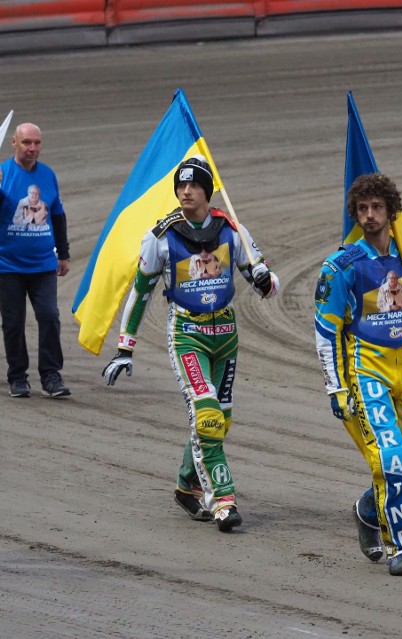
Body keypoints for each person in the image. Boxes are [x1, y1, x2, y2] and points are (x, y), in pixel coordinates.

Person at [101, 155, 279, 533]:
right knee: (208, 416)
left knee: (219, 421)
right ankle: (224, 502)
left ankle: (187, 485)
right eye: (181, 187)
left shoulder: (233, 230)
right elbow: (141, 291)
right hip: (187, 336)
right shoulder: (161, 238)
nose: (185, 192)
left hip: (227, 338)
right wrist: (124, 347)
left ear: (206, 191)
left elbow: (262, 278)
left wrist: (267, 280)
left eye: (193, 185)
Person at [314, 173, 402, 576]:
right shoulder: (341, 266)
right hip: (366, 371)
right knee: (392, 462)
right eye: (362, 209)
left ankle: (367, 510)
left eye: (377, 208)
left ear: (391, 212)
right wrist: (335, 387)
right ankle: (401, 546)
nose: (370, 216)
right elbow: (325, 330)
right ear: (354, 213)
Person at [0, 122, 71, 398]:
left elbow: (57, 216)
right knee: (14, 322)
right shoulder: (3, 175)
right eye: (27, 142)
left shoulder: (48, 176)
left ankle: (51, 375)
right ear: (14, 144)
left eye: (37, 143)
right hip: (8, 265)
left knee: (50, 316)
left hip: (42, 263)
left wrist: (63, 253)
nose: (33, 148)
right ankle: (18, 377)